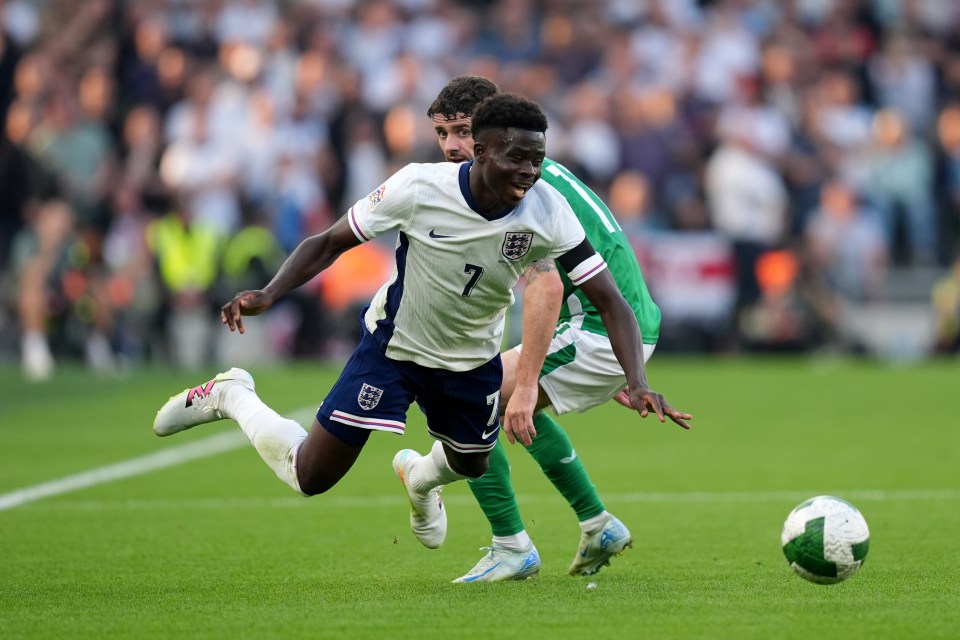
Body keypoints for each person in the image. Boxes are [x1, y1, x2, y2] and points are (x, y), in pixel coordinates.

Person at [152, 93, 691, 579]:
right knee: (311, 476)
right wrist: (270, 292)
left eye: (537, 159)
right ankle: (232, 394)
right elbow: (330, 240)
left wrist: (638, 380)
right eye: (515, 158)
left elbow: (610, 301)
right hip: (395, 349)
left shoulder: (546, 210)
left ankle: (424, 482)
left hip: (469, 361)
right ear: (481, 150)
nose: (529, 172)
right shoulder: (417, 186)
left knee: (472, 463)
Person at [426, 76, 678, 583]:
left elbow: (548, 288)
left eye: (462, 131)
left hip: (599, 329)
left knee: (473, 399)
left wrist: (533, 382)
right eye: (442, 134)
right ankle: (596, 522)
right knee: (513, 402)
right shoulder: (535, 169)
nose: (452, 146)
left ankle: (509, 545)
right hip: (613, 329)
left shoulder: (517, 185)